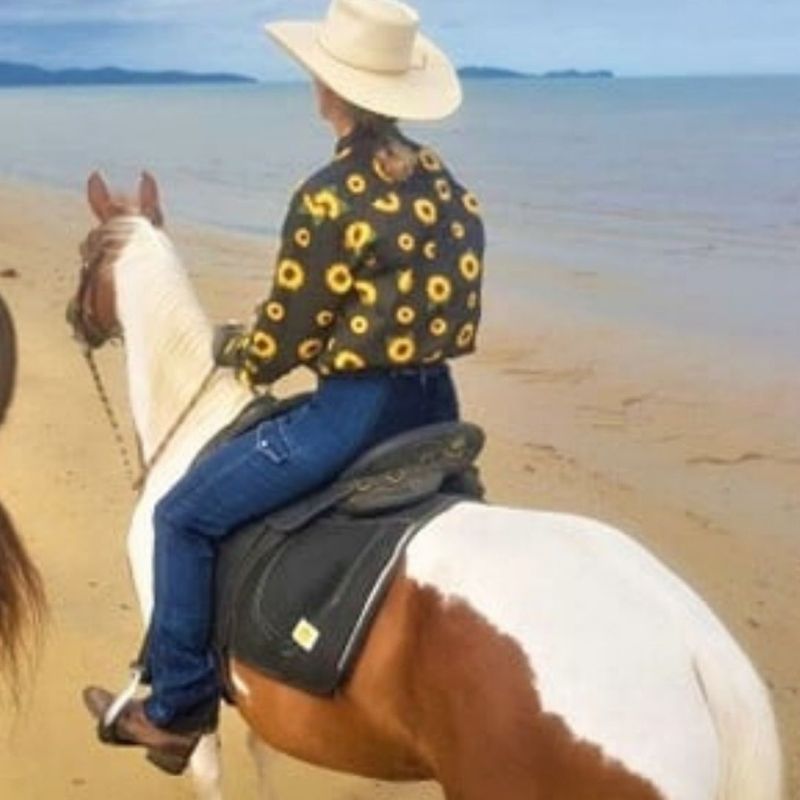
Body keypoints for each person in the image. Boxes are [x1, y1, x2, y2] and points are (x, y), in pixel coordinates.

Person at [83, 0, 485, 771]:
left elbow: (286, 338)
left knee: (184, 517)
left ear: (327, 91)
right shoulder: (443, 182)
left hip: (352, 417)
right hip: (435, 404)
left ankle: (173, 708)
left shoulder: (330, 195)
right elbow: (446, 299)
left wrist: (245, 349)